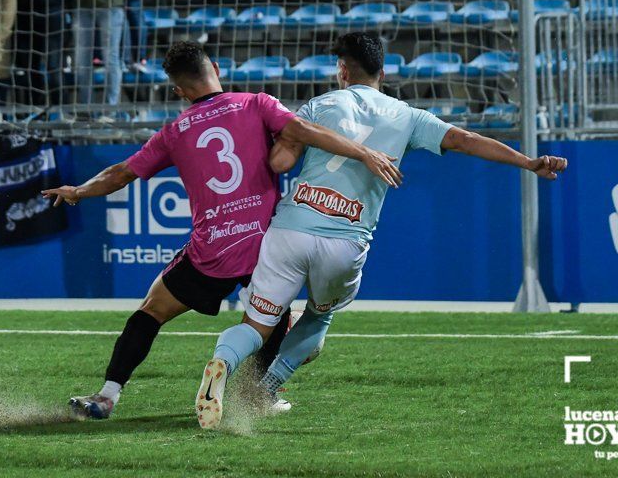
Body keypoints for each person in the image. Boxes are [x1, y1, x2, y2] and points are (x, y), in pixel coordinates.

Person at [194, 32, 570, 429]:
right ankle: (264, 391)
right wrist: (528, 162)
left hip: (291, 230)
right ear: (383, 72)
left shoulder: (319, 106)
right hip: (346, 240)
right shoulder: (407, 115)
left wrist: (279, 143)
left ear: (342, 69)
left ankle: (222, 362)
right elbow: (465, 139)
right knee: (319, 319)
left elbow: (280, 161)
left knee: (256, 325)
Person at [41, 41, 402, 420]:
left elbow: (122, 173)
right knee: (275, 319)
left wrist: (78, 191)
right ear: (215, 66)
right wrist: (362, 152)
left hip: (211, 252)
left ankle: (107, 396)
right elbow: (305, 131)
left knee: (150, 312)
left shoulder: (174, 131)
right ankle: (255, 395)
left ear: (179, 91)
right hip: (263, 245)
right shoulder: (256, 104)